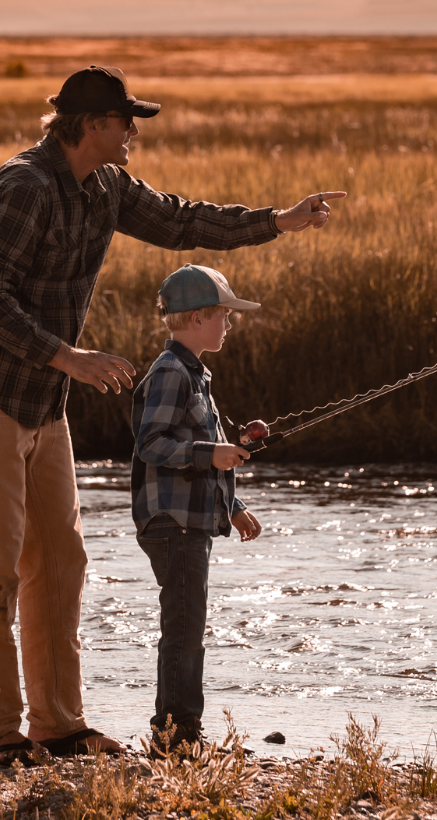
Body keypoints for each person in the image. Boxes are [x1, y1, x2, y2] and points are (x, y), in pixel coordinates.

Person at [0, 64, 344, 764]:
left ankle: (58, 727)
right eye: (128, 122)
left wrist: (278, 221)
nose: (134, 134)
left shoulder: (108, 188)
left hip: (45, 393)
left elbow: (183, 221)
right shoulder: (23, 188)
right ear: (91, 125)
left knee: (60, 559)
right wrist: (70, 357)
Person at [130, 264, 266, 751]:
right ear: (195, 319)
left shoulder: (196, 374)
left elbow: (208, 447)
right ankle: (175, 733)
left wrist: (233, 507)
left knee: (189, 624)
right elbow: (151, 443)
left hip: (191, 520)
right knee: (185, 627)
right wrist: (213, 454)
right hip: (171, 522)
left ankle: (179, 727)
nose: (229, 325)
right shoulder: (170, 373)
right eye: (223, 316)